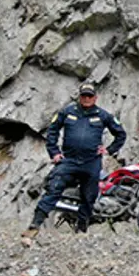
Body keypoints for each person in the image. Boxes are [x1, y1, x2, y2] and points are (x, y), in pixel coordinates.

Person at [22, 83, 127, 237]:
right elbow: (52, 130)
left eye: (90, 96)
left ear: (95, 98)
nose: (86, 98)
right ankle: (34, 226)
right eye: (84, 95)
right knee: (53, 187)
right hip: (69, 160)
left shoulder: (103, 115)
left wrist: (109, 150)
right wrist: (54, 152)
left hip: (91, 162)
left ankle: (81, 231)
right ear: (79, 96)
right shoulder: (67, 111)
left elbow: (121, 134)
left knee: (89, 197)